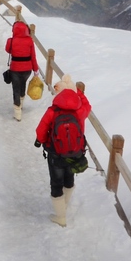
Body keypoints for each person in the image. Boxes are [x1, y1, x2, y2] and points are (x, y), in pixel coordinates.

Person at [34, 74, 87, 227]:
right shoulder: (78, 112)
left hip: (55, 154)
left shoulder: (52, 111)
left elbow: (41, 130)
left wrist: (41, 141)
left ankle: (60, 216)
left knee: (56, 183)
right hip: (74, 154)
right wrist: (81, 95)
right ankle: (64, 205)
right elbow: (87, 110)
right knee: (69, 180)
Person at [5, 21, 39, 121]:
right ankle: (21, 102)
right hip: (27, 69)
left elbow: (8, 50)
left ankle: (17, 112)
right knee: (22, 84)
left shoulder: (11, 41)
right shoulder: (29, 41)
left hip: (15, 68)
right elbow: (33, 57)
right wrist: (35, 70)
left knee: (16, 88)